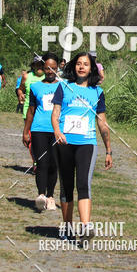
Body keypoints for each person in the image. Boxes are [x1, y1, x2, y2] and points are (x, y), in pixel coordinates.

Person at [52, 52, 112, 234]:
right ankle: (68, 227)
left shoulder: (98, 93)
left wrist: (109, 150)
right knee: (66, 186)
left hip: (87, 143)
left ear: (91, 68)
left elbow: (102, 123)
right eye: (79, 63)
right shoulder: (64, 87)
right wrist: (57, 131)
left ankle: (86, 227)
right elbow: (55, 114)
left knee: (84, 184)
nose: (81, 67)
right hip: (64, 143)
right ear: (74, 66)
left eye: (85, 64)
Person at [23, 53, 60, 211]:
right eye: (47, 68)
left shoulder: (64, 86)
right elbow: (31, 110)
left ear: (58, 68)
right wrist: (26, 131)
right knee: (41, 162)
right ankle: (41, 196)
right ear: (42, 69)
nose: (50, 71)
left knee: (54, 164)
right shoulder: (35, 87)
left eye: (53, 68)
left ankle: (51, 196)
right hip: (39, 129)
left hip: (58, 131)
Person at [21, 58, 45, 173]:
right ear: (33, 65)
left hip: (43, 112)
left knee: (41, 138)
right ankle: (36, 161)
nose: (39, 67)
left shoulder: (48, 77)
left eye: (41, 65)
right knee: (30, 138)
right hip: (29, 111)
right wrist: (20, 94)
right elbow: (20, 89)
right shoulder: (27, 76)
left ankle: (43, 160)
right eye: (37, 65)